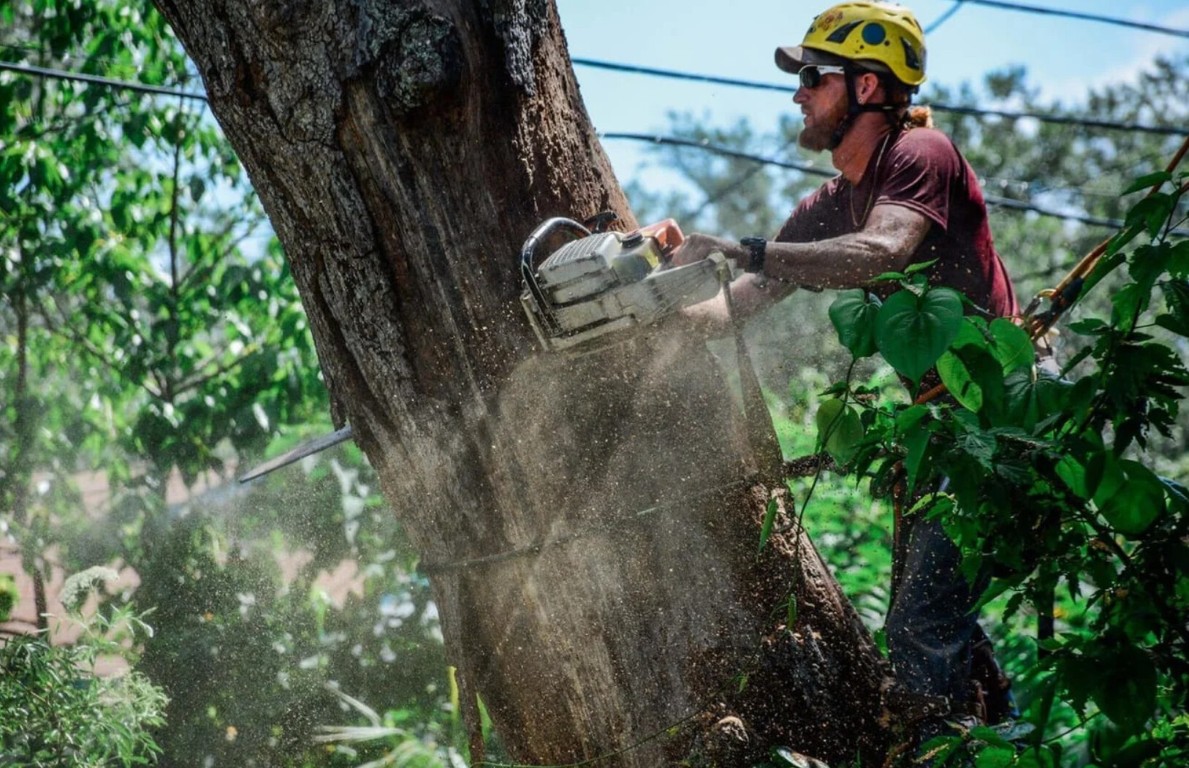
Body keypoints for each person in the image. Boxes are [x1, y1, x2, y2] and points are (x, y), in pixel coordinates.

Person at [672, 0, 1019, 753]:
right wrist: (656, 292)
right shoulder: (831, 203)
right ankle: (998, 736)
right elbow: (734, 306)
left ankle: (948, 745)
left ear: (867, 88)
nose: (797, 92)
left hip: (999, 408)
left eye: (812, 76)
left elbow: (884, 250)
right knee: (933, 617)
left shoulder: (921, 153)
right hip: (941, 421)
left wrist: (745, 247)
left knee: (920, 626)